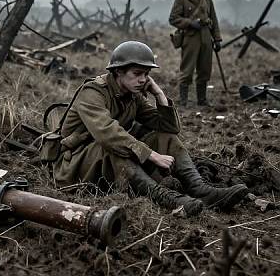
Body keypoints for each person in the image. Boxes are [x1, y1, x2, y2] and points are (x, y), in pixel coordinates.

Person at [52, 41, 247, 216]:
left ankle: (201, 190)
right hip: (75, 163)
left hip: (107, 159)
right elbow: (109, 135)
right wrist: (152, 155)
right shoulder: (93, 93)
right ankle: (166, 198)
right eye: (137, 74)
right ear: (118, 71)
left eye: (146, 75)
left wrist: (159, 95)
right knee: (117, 148)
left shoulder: (132, 94)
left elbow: (169, 128)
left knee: (166, 138)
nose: (143, 80)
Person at [169, 0, 222, 107]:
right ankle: (183, 101)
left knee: (204, 70)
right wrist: (190, 23)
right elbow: (173, 19)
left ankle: (202, 100)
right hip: (190, 38)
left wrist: (217, 39)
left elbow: (214, 20)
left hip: (206, 37)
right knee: (187, 71)